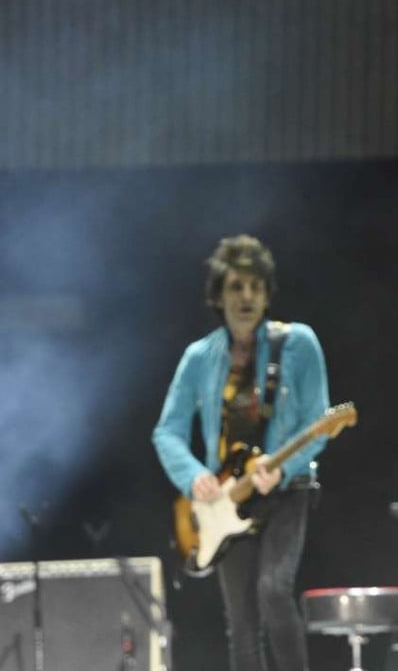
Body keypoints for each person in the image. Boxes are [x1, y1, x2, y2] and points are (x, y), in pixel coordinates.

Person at [152, 234, 329, 671]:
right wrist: (194, 475)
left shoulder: (298, 343)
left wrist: (283, 468)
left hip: (288, 489)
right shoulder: (199, 357)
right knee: (242, 623)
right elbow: (168, 431)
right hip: (227, 498)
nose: (246, 296)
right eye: (236, 286)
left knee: (272, 589)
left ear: (268, 292)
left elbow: (318, 423)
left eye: (255, 286)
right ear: (218, 294)